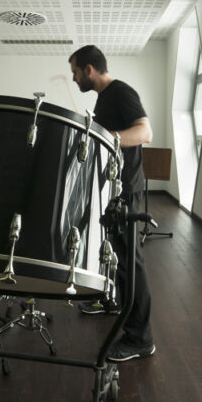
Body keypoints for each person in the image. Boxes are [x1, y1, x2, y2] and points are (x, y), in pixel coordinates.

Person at [68, 44, 155, 362]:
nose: (74, 78)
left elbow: (145, 132)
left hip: (126, 190)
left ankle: (140, 339)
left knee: (131, 263)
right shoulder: (104, 98)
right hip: (113, 189)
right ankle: (113, 301)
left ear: (89, 69)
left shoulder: (121, 92)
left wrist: (107, 137)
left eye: (76, 72)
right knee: (115, 254)